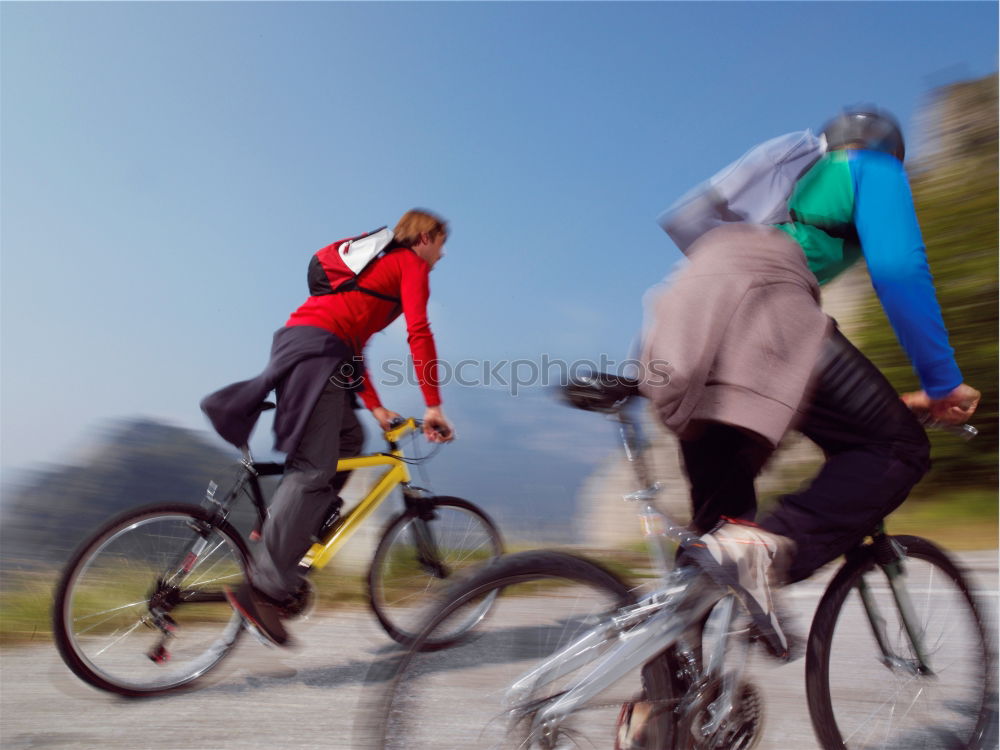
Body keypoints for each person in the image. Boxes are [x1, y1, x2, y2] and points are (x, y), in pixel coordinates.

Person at [638, 109, 981, 660]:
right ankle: (763, 553)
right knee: (895, 446)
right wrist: (942, 383)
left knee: (719, 538)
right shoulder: (871, 168)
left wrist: (892, 401)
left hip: (683, 318)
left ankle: (661, 704)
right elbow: (899, 270)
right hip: (763, 306)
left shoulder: (779, 195)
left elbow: (790, 376)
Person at [201, 208, 454, 645]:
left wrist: (374, 408)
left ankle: (288, 520)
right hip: (317, 351)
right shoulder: (410, 263)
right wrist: (434, 405)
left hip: (314, 347)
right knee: (316, 468)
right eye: (441, 244)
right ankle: (261, 591)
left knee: (350, 440)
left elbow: (353, 343)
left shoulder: (377, 268)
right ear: (425, 237)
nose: (442, 255)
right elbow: (419, 331)